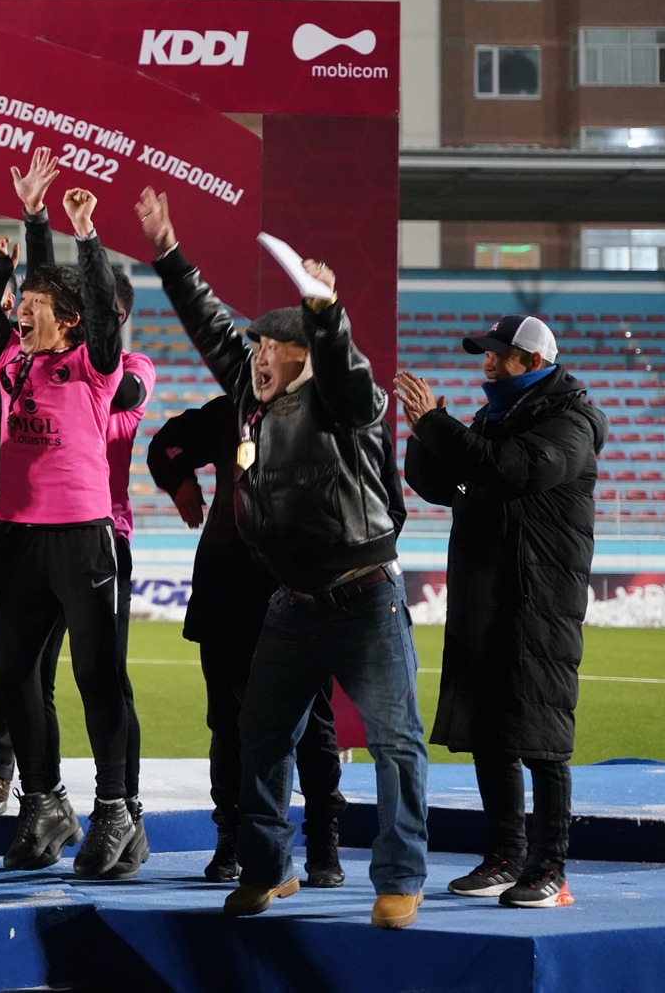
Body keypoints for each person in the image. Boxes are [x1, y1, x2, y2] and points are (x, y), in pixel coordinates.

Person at [136, 186, 426, 930]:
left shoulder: (349, 401)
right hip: (290, 604)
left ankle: (400, 880)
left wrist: (327, 313)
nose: (257, 355)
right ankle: (267, 869)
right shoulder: (251, 395)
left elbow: (348, 370)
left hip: (365, 596)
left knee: (395, 743)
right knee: (260, 738)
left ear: (304, 353)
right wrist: (168, 252)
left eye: (271, 345)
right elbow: (209, 325)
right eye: (256, 345)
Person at [0, 170, 138, 879]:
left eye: (35, 307)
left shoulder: (94, 366)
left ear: (69, 321)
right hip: (17, 538)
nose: (21, 313)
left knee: (96, 674)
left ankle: (114, 810)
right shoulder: (11, 362)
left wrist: (84, 234)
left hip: (83, 537)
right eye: (21, 304)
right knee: (14, 678)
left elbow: (103, 310)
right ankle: (45, 801)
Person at [397, 314, 604, 910]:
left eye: (498, 354)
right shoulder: (497, 418)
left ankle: (550, 868)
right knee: (490, 730)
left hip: (541, 598)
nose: (486, 363)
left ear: (534, 362)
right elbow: (443, 485)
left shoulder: (571, 422)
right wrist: (422, 435)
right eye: (485, 353)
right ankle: (506, 856)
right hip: (487, 591)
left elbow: (510, 470)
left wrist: (438, 425)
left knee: (542, 735)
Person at [148, 393, 349, 886]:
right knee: (227, 724)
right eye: (259, 357)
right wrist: (180, 481)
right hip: (227, 590)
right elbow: (166, 444)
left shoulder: (329, 413)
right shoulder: (230, 412)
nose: (264, 364)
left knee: (314, 725)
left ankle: (323, 843)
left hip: (300, 590)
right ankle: (231, 840)